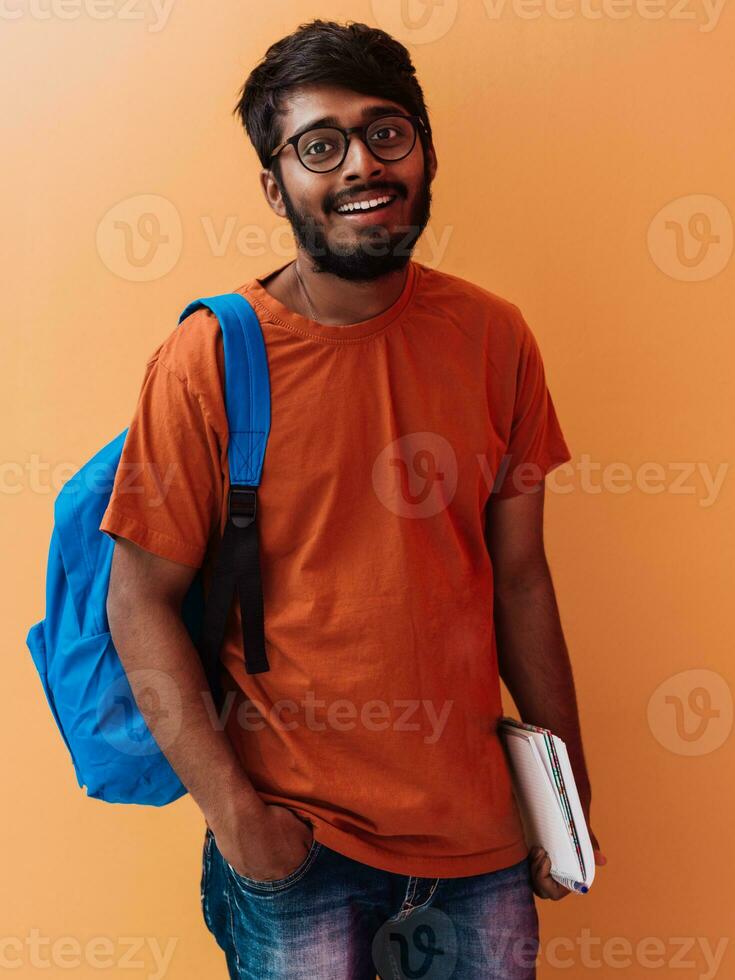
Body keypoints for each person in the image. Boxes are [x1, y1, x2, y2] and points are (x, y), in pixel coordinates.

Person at [101, 18, 606, 980]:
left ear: (422, 150)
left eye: (386, 132)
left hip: (481, 844)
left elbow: (522, 580)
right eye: (318, 145)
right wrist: (239, 819)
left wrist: (563, 793)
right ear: (274, 184)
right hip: (301, 847)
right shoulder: (210, 357)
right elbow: (140, 599)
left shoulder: (494, 337)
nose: (361, 166)